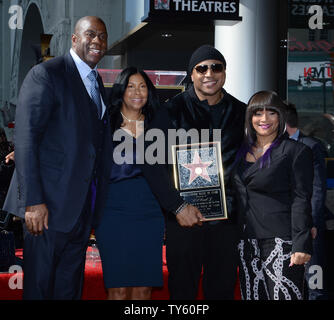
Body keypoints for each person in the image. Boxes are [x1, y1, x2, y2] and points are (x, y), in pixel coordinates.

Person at [3, 16, 113, 299]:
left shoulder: (96, 82)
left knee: (67, 291)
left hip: (79, 213)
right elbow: (26, 140)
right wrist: (33, 202)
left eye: (103, 36)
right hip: (46, 210)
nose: (98, 41)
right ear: (75, 39)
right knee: (40, 291)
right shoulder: (47, 74)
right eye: (91, 34)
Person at [95, 67, 202, 300]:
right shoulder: (105, 123)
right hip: (112, 211)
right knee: (119, 289)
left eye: (142, 86)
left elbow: (178, 162)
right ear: (122, 91)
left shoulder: (160, 121)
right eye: (131, 86)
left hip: (150, 210)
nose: (137, 92)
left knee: (143, 289)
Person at [160, 45, 246, 299]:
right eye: (202, 68)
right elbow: (155, 168)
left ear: (225, 72)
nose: (210, 73)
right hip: (183, 219)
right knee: (182, 292)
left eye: (216, 67)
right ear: (192, 74)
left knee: (222, 289)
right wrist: (177, 207)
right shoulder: (170, 111)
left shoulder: (242, 113)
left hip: (227, 223)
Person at [233, 91, 313, 300]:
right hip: (246, 242)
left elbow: (301, 199)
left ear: (281, 117)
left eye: (272, 113)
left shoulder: (296, 151)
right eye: (257, 113)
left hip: (282, 243)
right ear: (250, 118)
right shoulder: (239, 152)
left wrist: (301, 244)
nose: (264, 119)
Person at [284, 102, 328, 300]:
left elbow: (318, 189)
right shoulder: (273, 148)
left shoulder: (311, 146)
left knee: (313, 278)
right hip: (286, 224)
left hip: (310, 225)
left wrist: (312, 221)